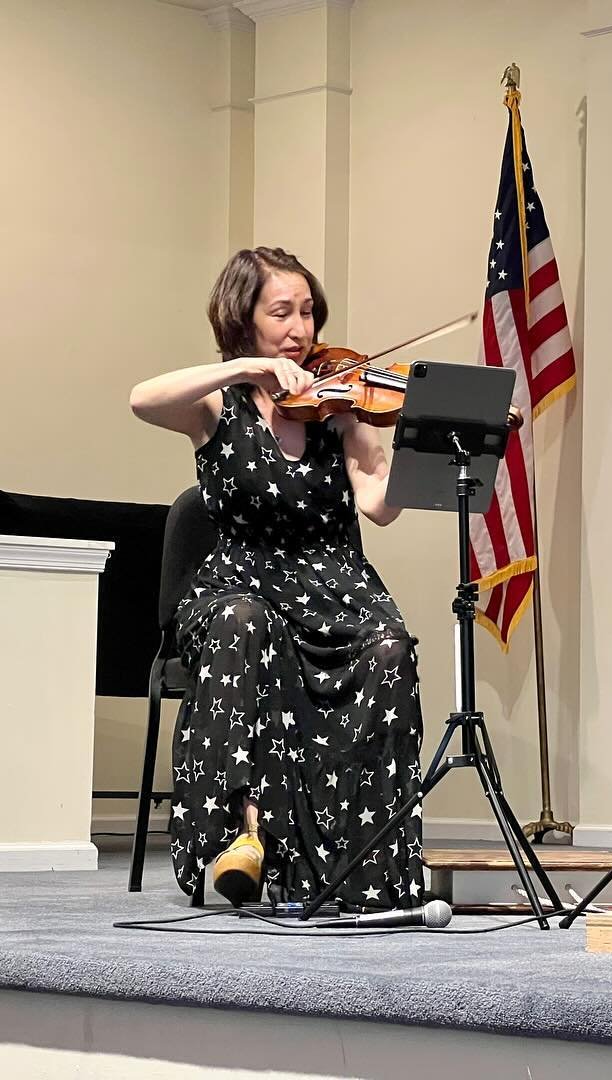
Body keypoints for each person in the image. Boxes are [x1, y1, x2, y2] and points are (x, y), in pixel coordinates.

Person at [129, 247, 423, 909]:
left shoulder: (337, 401)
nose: (300, 329)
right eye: (281, 313)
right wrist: (242, 368)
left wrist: (410, 444)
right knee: (246, 622)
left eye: (309, 311)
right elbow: (141, 399)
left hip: (331, 582)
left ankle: (360, 861)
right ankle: (246, 836)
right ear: (245, 321)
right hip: (237, 582)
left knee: (389, 647)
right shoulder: (215, 407)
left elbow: (377, 505)